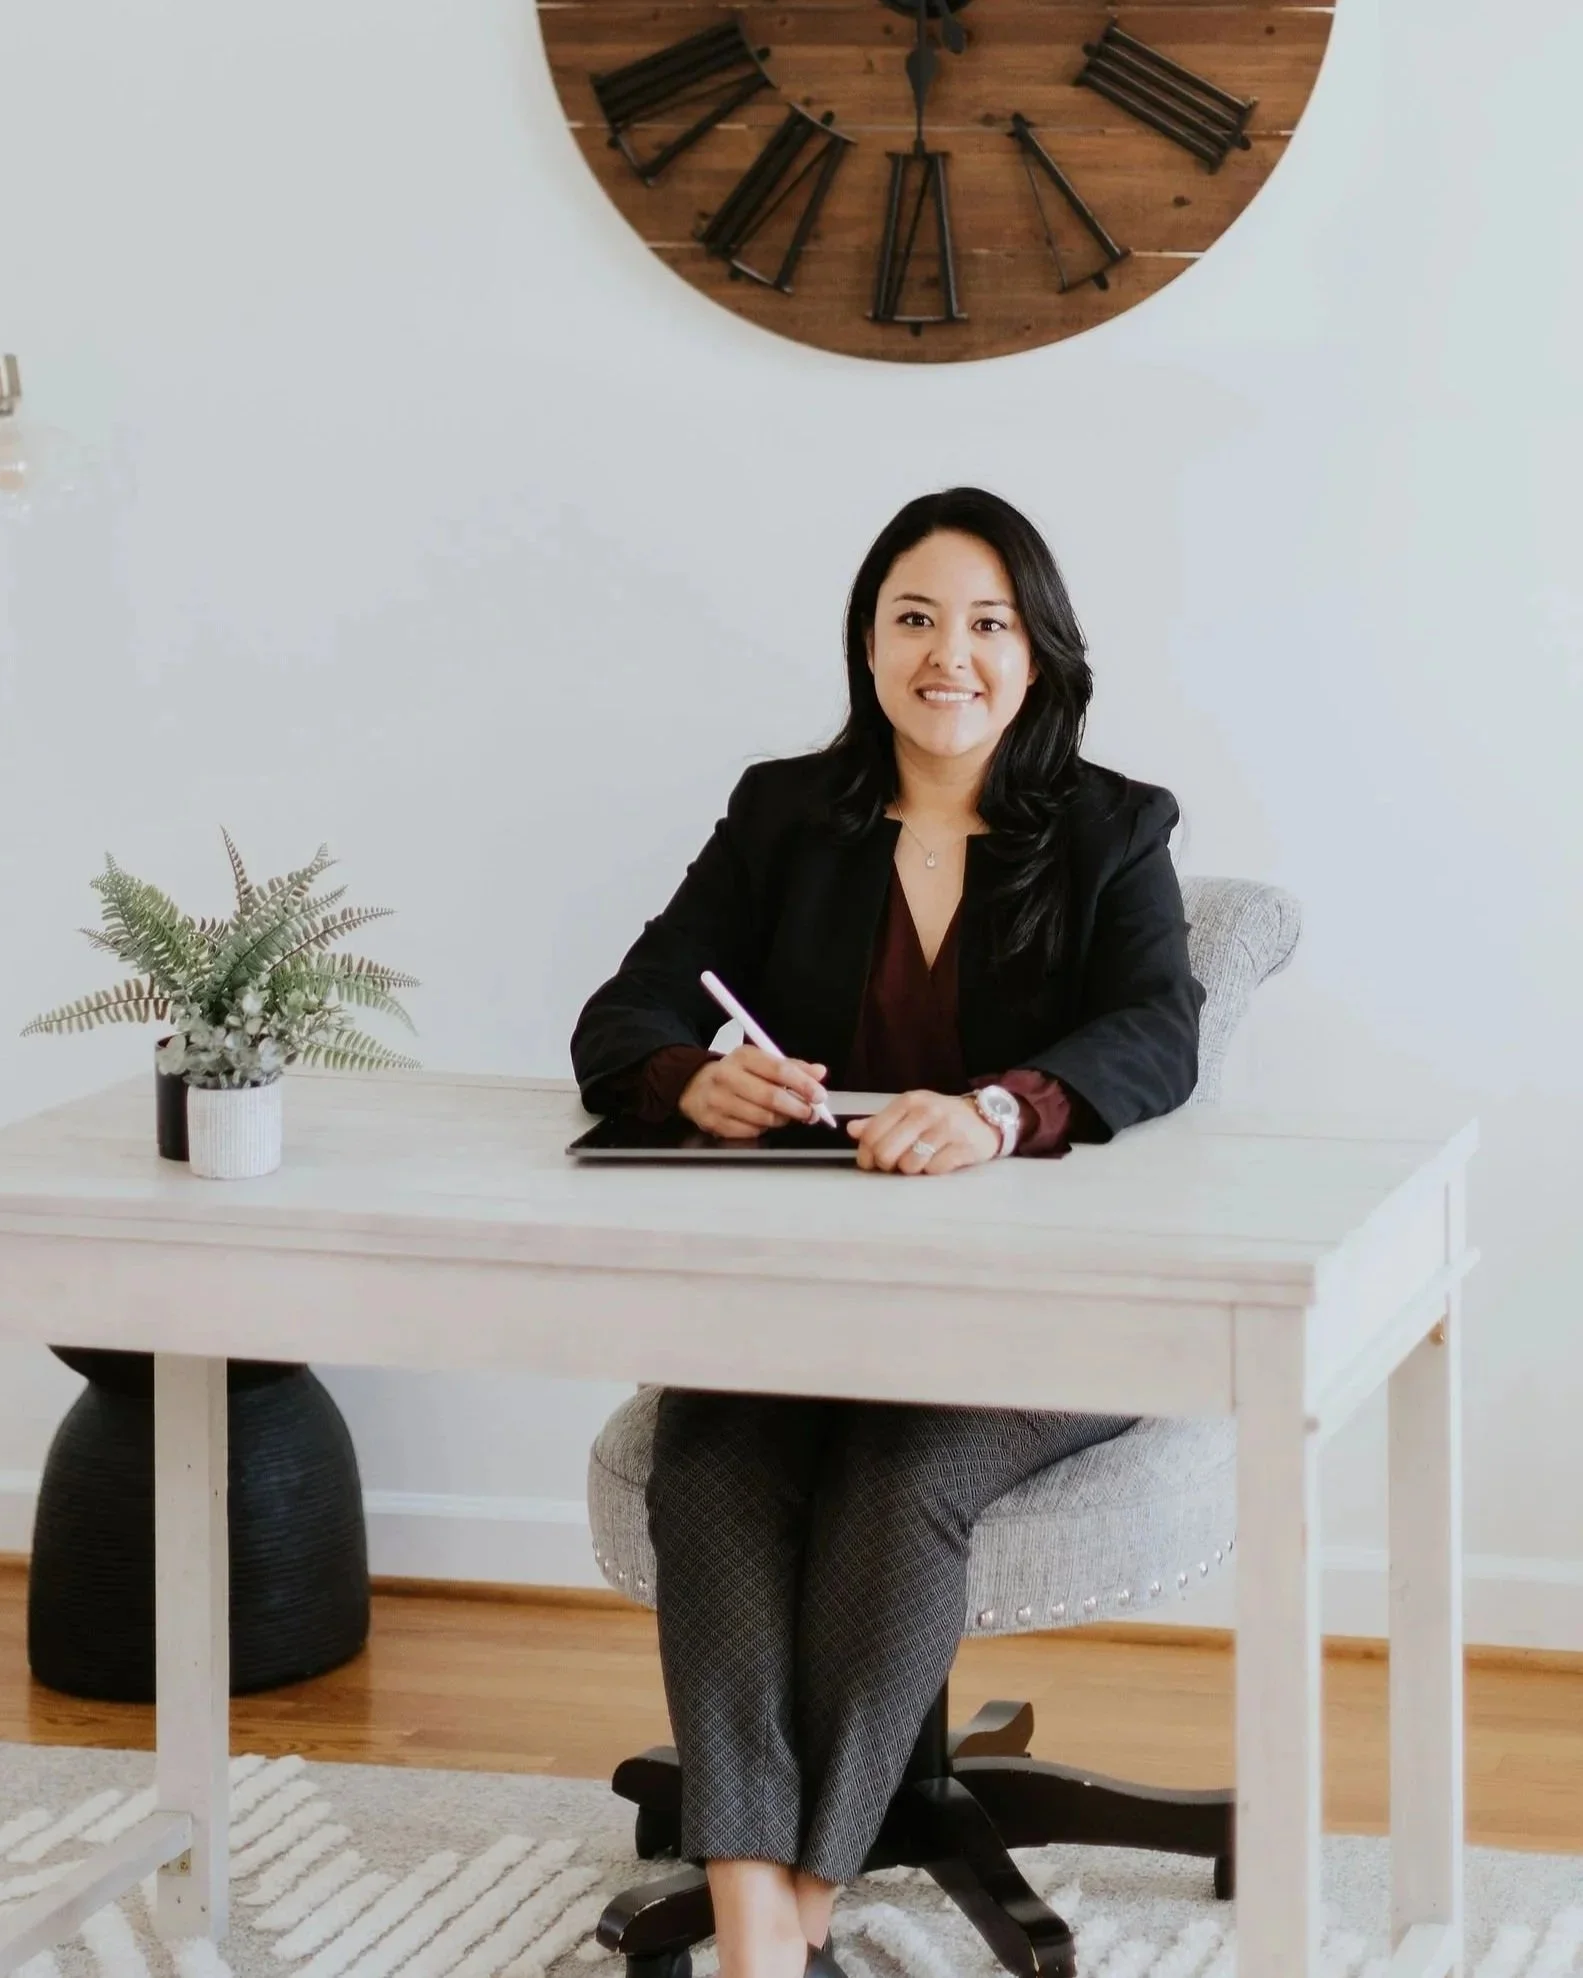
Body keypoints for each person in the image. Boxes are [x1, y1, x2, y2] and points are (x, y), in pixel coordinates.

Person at [569, 488, 1202, 1978]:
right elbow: (625, 1011)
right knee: (713, 1456)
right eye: (913, 617)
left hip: (1042, 1316)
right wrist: (688, 1077)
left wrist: (998, 1110)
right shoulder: (787, 814)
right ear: (865, 644)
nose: (949, 655)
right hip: (812, 1302)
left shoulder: (1113, 828)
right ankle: (755, 1929)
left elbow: (1158, 1034)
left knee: (900, 1466)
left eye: (987, 623)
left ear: (1035, 655)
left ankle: (806, 1880)